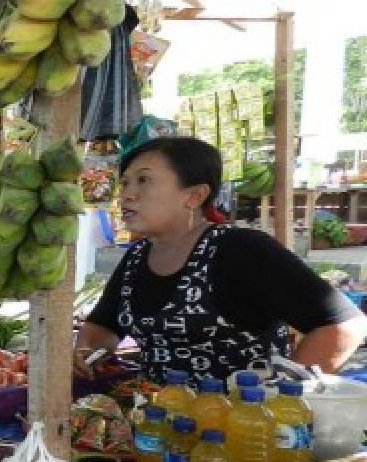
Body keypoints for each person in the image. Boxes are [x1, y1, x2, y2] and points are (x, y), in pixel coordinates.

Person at [76, 136, 367, 384]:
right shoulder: (136, 259)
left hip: (237, 435)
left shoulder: (241, 250)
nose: (126, 195)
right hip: (157, 427)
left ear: (194, 195)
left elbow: (343, 326)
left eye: (143, 181)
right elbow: (103, 326)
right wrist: (89, 351)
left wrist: (281, 400)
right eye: (124, 183)